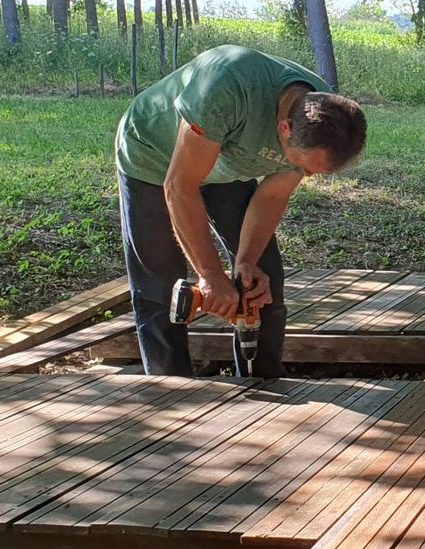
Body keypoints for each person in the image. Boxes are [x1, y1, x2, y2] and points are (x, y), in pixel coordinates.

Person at [114, 44, 366, 376]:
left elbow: (272, 197)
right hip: (152, 158)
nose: (308, 176)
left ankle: (261, 382)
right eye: (307, 168)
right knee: (162, 288)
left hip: (226, 165)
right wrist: (210, 276)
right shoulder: (227, 87)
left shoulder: (325, 115)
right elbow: (179, 186)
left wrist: (244, 262)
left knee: (262, 279)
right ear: (284, 130)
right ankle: (169, 392)